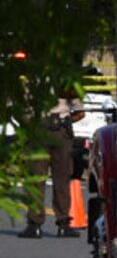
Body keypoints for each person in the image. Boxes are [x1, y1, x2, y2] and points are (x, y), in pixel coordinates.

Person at [18, 92, 85, 239]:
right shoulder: (64, 78)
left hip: (38, 130)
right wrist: (65, 122)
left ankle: (34, 225)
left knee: (36, 178)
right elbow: (80, 112)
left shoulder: (29, 77)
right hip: (61, 132)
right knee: (62, 178)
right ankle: (63, 224)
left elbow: (17, 108)